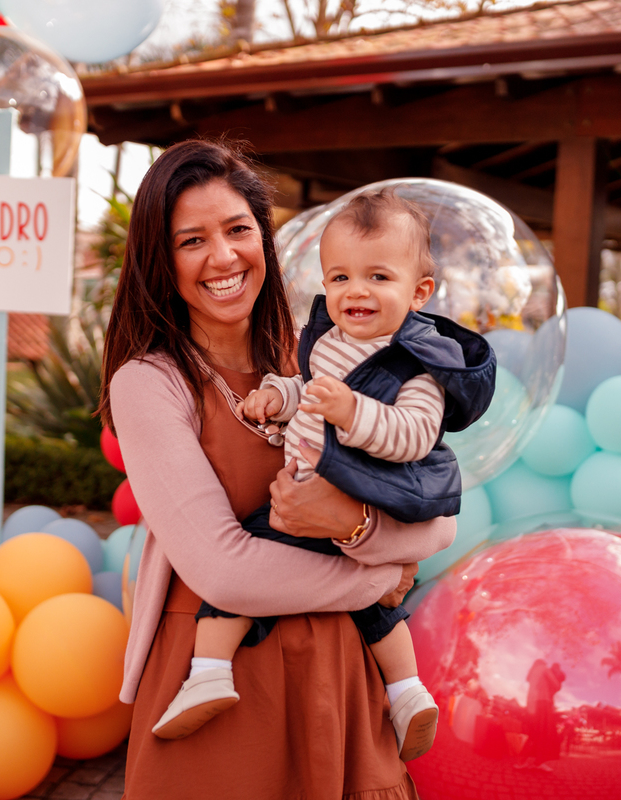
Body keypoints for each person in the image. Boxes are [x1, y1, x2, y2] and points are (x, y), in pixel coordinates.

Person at [99, 139, 457, 800]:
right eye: (191, 240)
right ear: (159, 259)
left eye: (238, 230)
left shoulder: (322, 360)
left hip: (339, 676)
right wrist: (375, 574)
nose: (224, 256)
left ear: (264, 239)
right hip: (220, 682)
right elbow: (224, 569)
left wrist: (351, 523)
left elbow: (437, 522)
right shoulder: (149, 383)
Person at [151, 189, 495, 764]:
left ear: (419, 293)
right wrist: (278, 394)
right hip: (317, 501)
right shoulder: (329, 343)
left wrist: (351, 414)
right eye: (339, 278)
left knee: (287, 555)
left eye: (378, 276)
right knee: (368, 599)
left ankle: (398, 691)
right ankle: (220, 676)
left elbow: (413, 435)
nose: (355, 291)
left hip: (362, 495)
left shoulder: (417, 370)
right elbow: (308, 391)